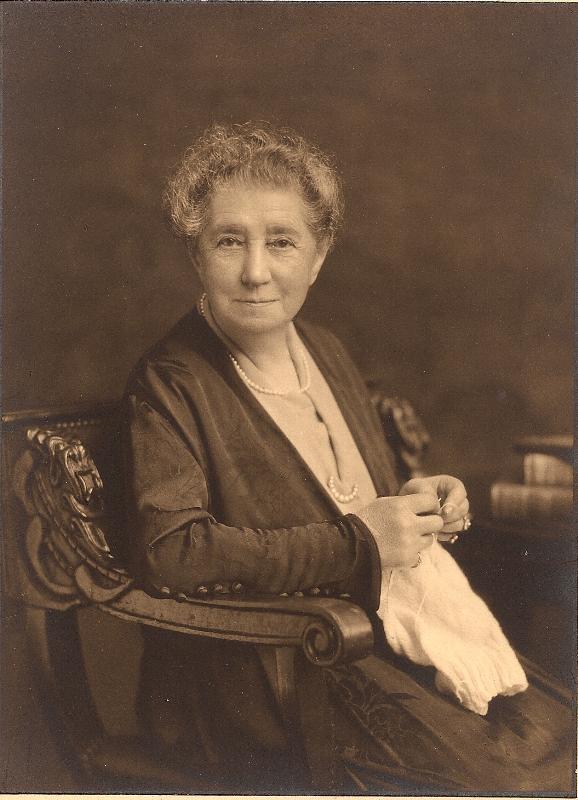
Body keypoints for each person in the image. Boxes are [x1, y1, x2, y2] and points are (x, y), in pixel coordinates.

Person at [122, 122, 574, 794]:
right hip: (268, 672)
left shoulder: (324, 350)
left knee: (560, 745)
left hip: (375, 640)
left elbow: (356, 502)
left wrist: (419, 503)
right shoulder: (170, 382)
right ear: (196, 253)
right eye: (228, 240)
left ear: (319, 255)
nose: (255, 271)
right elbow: (173, 554)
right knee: (511, 785)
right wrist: (360, 542)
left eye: (281, 241)